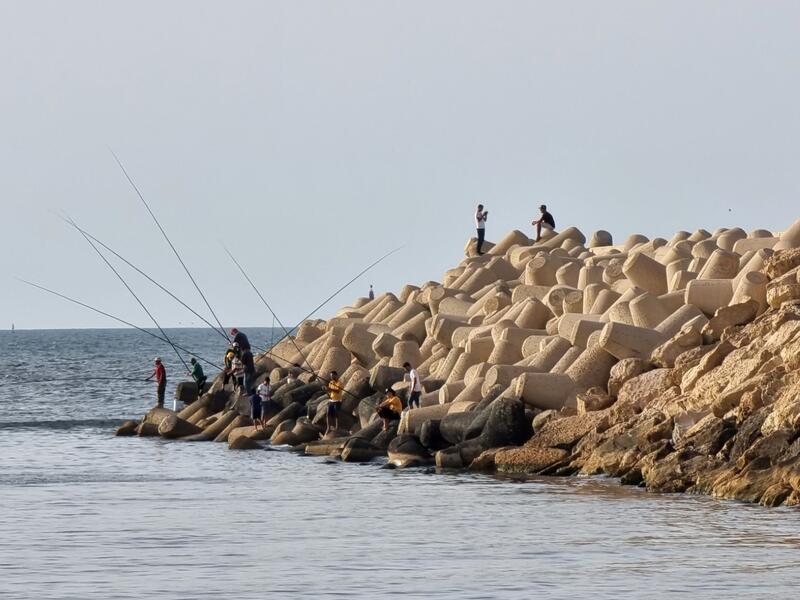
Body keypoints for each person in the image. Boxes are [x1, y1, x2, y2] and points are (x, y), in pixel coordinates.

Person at [325, 370, 343, 434]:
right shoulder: (330, 383)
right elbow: (330, 391)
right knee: (328, 414)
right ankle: (328, 427)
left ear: (336, 375)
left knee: (336, 414)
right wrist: (326, 390)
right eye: (331, 376)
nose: (332, 377)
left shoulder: (339, 383)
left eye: (333, 376)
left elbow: (338, 391)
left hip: (338, 400)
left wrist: (330, 389)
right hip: (331, 400)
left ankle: (337, 428)